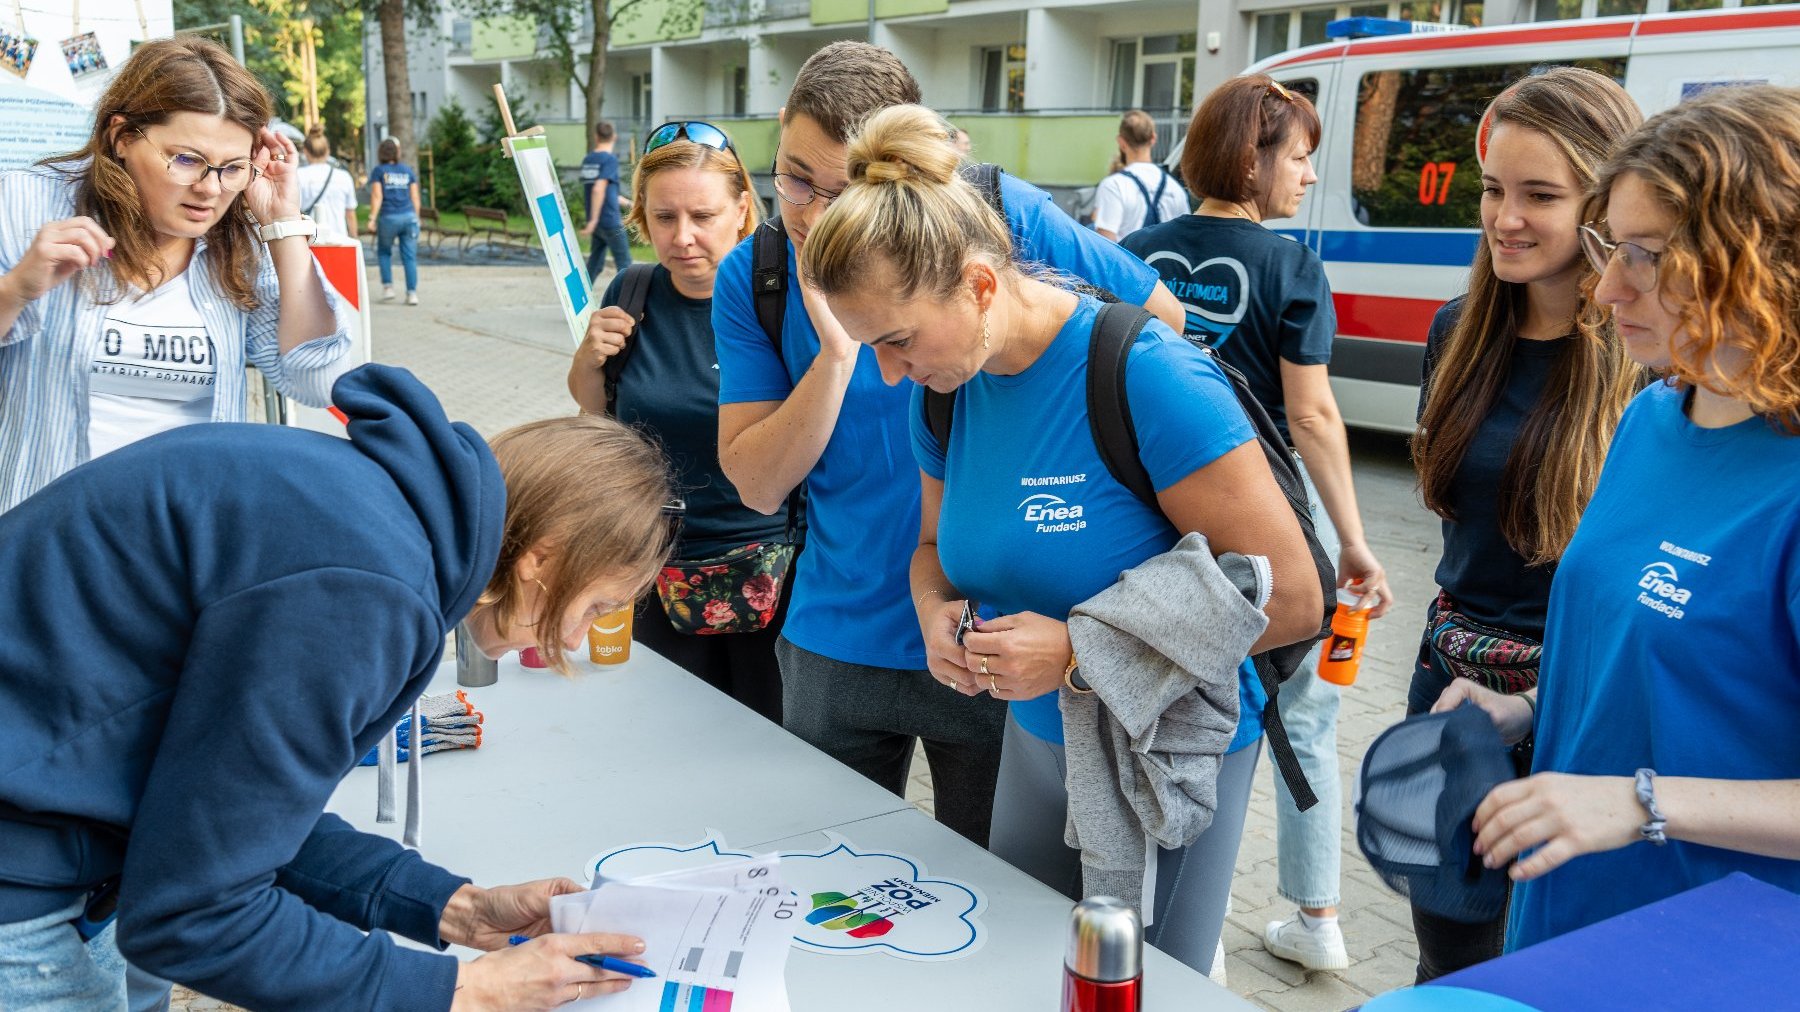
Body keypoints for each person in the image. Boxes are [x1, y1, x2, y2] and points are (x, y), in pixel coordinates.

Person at [798, 103, 1322, 974]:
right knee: (1021, 977)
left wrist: (1080, 653)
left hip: (1163, 759)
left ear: (978, 284)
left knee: (1140, 990)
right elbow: (932, 550)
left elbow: (1295, 598)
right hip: (1037, 742)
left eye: (895, 340)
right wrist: (934, 613)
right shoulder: (946, 390)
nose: (887, 372)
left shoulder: (1147, 375)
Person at [0, 363, 671, 1011]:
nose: (578, 641)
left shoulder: (375, 515)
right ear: (541, 561)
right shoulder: (363, 593)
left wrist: (454, 908)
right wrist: (467, 992)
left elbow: (229, 815)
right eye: (595, 607)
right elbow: (192, 913)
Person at [714, 41, 1187, 849]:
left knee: (997, 904)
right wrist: (836, 352)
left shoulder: (1000, 217)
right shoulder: (755, 274)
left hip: (1003, 644)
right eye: (794, 178)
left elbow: (1159, 332)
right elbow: (758, 486)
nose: (811, 215)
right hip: (838, 637)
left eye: (846, 191)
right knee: (825, 892)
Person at [1435, 82, 1800, 954]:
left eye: (1642, 254)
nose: (1604, 290)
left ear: (1756, 259)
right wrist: (1526, 709)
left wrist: (1635, 802)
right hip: (1565, 911)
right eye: (1610, 248)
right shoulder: (1648, 420)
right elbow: (1641, 661)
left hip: (1714, 946)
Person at [1123, 72, 1393, 975]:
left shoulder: (1135, 249)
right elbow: (1313, 419)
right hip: (1267, 523)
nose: (1309, 176)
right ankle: (1313, 914)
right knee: (1297, 712)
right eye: (1302, 156)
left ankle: (1155, 911)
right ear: (1255, 157)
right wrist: (1352, 540)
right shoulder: (1292, 267)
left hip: (1150, 515)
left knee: (1159, 703)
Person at [1407, 66, 1643, 980]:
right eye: (1494, 190)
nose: (1505, 217)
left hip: (1577, 712)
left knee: (1553, 970)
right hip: (1450, 696)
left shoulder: (1647, 363)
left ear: (1605, 203)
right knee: (1452, 964)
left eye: (1539, 195)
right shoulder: (1456, 331)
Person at [0, 36, 356, 514]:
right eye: (186, 159)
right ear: (121, 136)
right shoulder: (27, 204)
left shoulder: (239, 245)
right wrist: (15, 290)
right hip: (49, 544)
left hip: (189, 550)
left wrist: (283, 225)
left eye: (232, 167)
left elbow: (319, 380)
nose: (210, 189)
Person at [569, 122, 789, 722]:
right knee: (664, 737)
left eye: (703, 215)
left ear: (743, 208)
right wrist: (587, 361)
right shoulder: (633, 289)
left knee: (759, 750)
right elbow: (597, 415)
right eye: (664, 217)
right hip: (650, 568)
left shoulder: (780, 301)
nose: (683, 237)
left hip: (770, 574)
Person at [1092, 110, 1186, 242]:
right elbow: (1183, 237)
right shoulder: (1175, 189)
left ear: (1121, 142)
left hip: (1124, 262)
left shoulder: (1114, 185)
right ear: (1153, 138)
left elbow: (1105, 244)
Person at [369, 135, 421, 305]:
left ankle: (388, 288)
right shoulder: (407, 171)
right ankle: (412, 293)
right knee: (409, 257)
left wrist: (371, 218)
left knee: (384, 252)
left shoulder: (379, 171)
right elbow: (415, 196)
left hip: (388, 218)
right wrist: (417, 217)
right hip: (408, 217)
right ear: (397, 152)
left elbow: (377, 196)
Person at [579, 121, 633, 282]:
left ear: (596, 137)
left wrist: (631, 204)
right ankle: (626, 304)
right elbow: (598, 189)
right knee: (625, 265)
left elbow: (608, 194)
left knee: (596, 263)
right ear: (614, 137)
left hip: (598, 224)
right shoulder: (609, 160)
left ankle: (582, 298)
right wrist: (594, 220)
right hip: (609, 220)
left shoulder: (588, 159)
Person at [297, 125, 360, 243]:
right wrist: (354, 237)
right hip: (339, 239)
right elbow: (350, 214)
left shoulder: (298, 176)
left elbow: (295, 212)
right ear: (328, 151)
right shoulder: (344, 177)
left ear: (305, 151)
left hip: (310, 240)